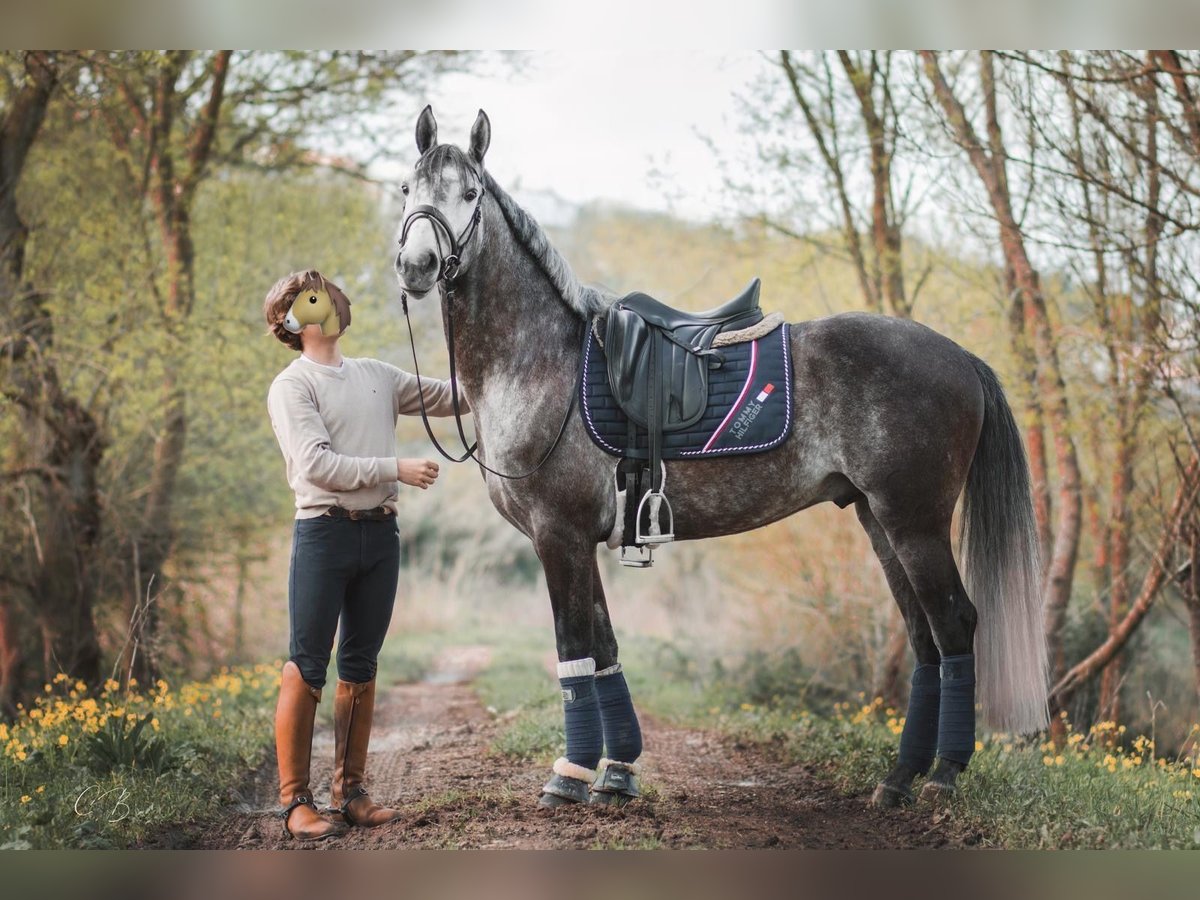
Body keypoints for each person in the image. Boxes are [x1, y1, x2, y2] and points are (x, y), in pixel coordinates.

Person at [262, 269, 465, 841]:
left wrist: (496, 353)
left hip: (380, 536)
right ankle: (295, 803)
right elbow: (317, 465)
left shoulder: (377, 374)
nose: (335, 296)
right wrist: (394, 468)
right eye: (316, 294)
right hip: (322, 535)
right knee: (306, 665)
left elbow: (454, 396)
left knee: (362, 665)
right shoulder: (292, 386)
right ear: (295, 321)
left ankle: (350, 793)